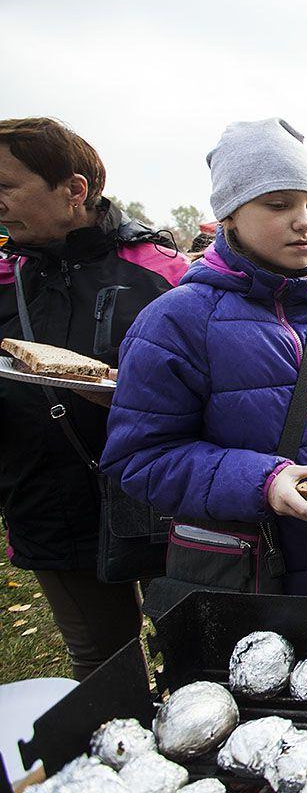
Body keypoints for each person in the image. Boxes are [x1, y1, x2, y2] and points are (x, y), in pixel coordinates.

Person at [102, 117, 307, 600]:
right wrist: (264, 482)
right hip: (248, 579)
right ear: (229, 215)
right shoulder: (174, 324)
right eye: (279, 204)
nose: (306, 222)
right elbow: (141, 458)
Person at [0, 118, 188, 679]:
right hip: (44, 499)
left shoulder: (160, 272)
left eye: (6, 187)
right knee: (102, 665)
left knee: (192, 649)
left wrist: (137, 401)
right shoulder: (4, 273)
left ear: (74, 190)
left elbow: (219, 385)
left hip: (157, 497)